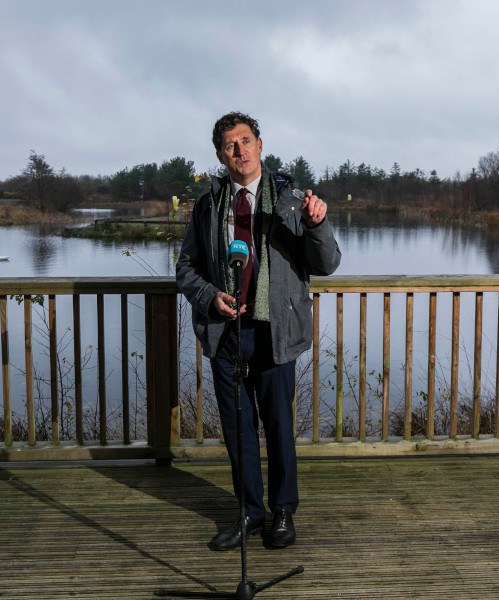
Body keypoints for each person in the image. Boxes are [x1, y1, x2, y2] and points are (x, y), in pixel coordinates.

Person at [176, 112, 342, 551]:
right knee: (238, 429)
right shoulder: (209, 204)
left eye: (246, 140)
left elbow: (326, 264)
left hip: (275, 330)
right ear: (220, 154)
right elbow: (186, 267)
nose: (240, 151)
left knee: (278, 425)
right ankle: (250, 512)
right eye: (231, 145)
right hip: (226, 332)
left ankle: (283, 512)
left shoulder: (290, 198)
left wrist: (317, 224)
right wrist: (209, 296)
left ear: (261, 145)